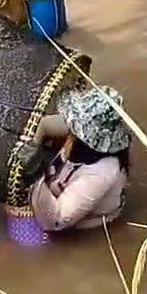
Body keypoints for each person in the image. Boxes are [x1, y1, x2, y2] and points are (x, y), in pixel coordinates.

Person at [27, 85, 131, 233]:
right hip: (61, 180)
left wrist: (33, 174)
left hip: (79, 221)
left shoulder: (102, 173)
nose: (71, 123)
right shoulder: (77, 132)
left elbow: (55, 221)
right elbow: (45, 125)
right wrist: (31, 146)